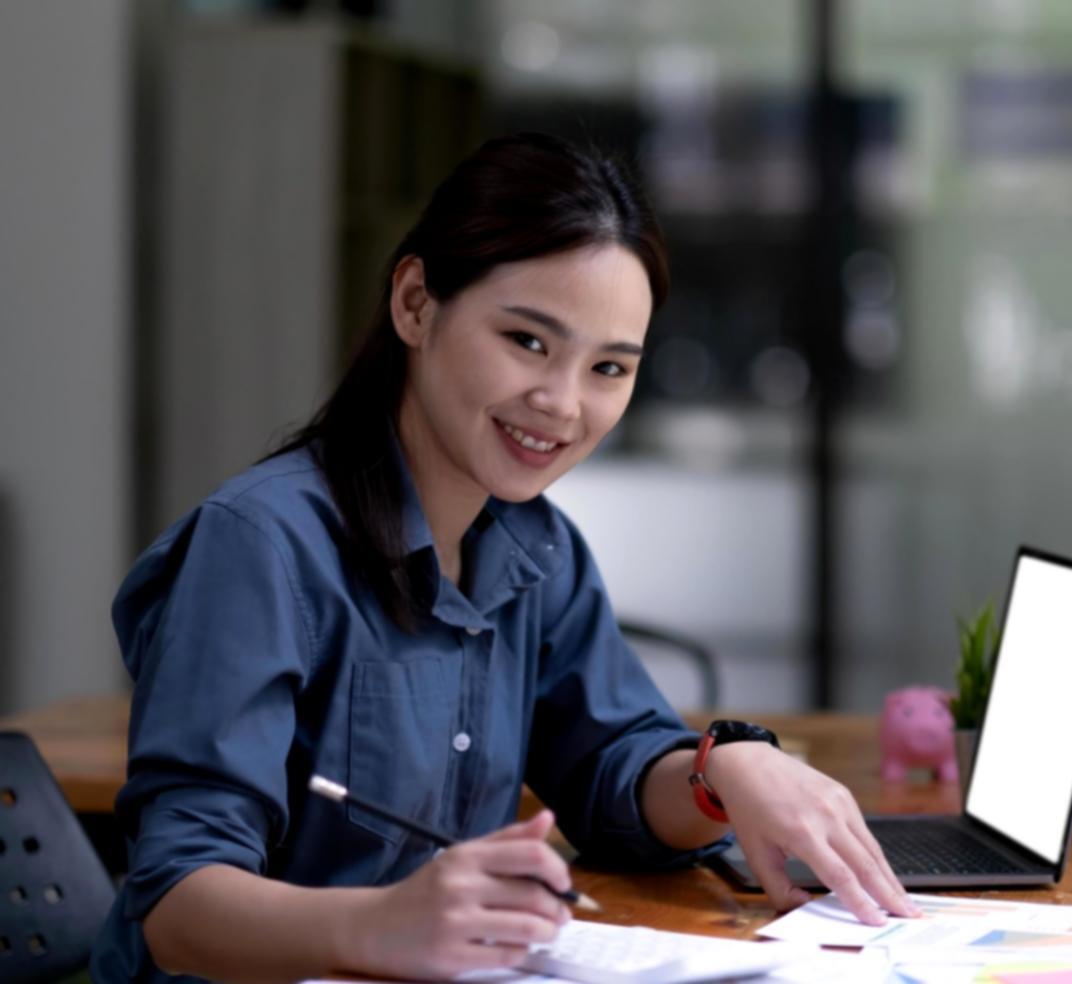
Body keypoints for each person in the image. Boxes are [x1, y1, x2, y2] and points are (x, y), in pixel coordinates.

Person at [91, 132, 918, 984]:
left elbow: (609, 771)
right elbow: (178, 907)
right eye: (527, 342)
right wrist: (384, 923)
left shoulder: (537, 547)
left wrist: (724, 770)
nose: (562, 404)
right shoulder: (260, 545)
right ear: (415, 302)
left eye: (607, 367)